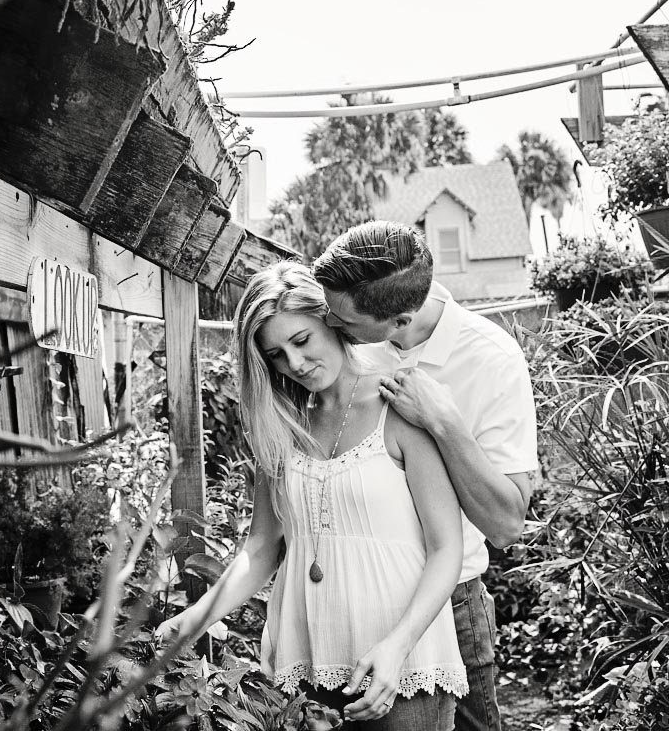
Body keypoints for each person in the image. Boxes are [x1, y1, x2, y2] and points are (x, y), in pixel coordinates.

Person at [155, 261, 468, 730]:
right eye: (276, 355)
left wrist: (397, 645)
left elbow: (447, 549)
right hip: (306, 656)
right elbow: (261, 549)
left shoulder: (398, 407)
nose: (295, 364)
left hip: (400, 661)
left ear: (331, 321)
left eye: (301, 341)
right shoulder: (279, 425)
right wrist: (198, 615)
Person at [311, 221, 540, 731]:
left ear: (400, 320)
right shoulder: (345, 339)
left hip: (450, 601)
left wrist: (444, 422)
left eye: (343, 320)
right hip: (353, 597)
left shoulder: (491, 359)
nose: (328, 322)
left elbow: (507, 525)